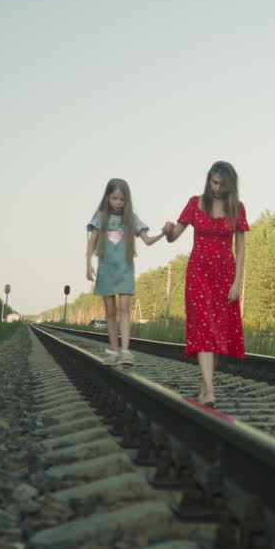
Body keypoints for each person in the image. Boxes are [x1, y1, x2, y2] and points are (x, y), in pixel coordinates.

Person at [162, 161, 248, 406]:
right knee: (204, 327)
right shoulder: (195, 203)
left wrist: (237, 281)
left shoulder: (237, 208)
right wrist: (168, 230)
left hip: (225, 275)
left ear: (231, 185)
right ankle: (210, 391)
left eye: (222, 184)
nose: (217, 188)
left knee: (218, 332)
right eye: (213, 182)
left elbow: (241, 249)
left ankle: (204, 386)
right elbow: (173, 237)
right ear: (208, 180)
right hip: (198, 273)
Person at [86, 178, 164, 366]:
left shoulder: (131, 219)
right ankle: (113, 350)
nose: (118, 203)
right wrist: (88, 264)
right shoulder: (101, 217)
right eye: (114, 198)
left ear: (127, 200)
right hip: (106, 269)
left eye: (122, 199)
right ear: (108, 198)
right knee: (110, 312)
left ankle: (126, 351)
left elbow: (147, 239)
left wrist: (163, 234)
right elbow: (92, 242)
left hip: (125, 269)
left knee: (125, 309)